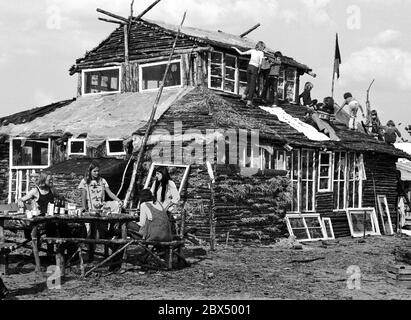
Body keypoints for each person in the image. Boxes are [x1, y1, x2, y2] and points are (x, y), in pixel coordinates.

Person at [232, 41, 266, 107]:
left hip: (249, 67)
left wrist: (235, 48)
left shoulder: (252, 50)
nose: (263, 49)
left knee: (249, 84)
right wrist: (259, 70)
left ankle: (243, 97)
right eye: (263, 47)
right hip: (255, 68)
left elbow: (241, 53)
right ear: (261, 47)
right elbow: (260, 63)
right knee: (253, 86)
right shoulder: (261, 53)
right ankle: (249, 102)